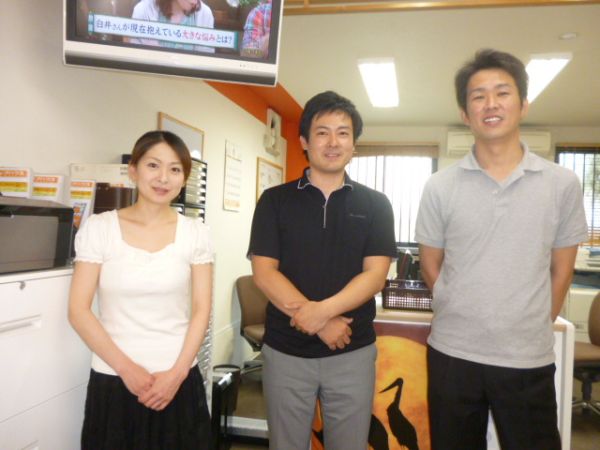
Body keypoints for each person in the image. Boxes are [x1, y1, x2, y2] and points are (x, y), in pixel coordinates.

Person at [415, 49, 588, 450]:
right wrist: (460, 306)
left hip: (527, 358)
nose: (490, 103)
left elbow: (562, 270)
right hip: (452, 354)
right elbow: (430, 264)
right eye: (478, 96)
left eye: (502, 93)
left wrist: (531, 323)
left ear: (523, 104)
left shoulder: (561, 184)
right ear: (465, 113)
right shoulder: (439, 186)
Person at [248, 90, 397, 450]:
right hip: (286, 352)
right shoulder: (274, 201)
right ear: (304, 141)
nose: (333, 142)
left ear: (354, 144)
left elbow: (375, 275)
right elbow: (264, 272)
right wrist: (321, 323)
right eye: (322, 132)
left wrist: (322, 313)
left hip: (351, 350)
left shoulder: (376, 205)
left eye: (343, 133)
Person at [68, 130, 213, 448]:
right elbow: (78, 311)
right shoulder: (100, 228)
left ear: (184, 178)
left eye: (175, 169)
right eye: (153, 165)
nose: (163, 178)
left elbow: (202, 309)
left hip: (177, 379)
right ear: (133, 170)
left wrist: (177, 375)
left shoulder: (195, 233)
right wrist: (128, 370)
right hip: (114, 377)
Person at [129, 0, 215, 53]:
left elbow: (206, 61)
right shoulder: (143, 10)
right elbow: (134, 57)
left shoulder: (205, 14)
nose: (196, 2)